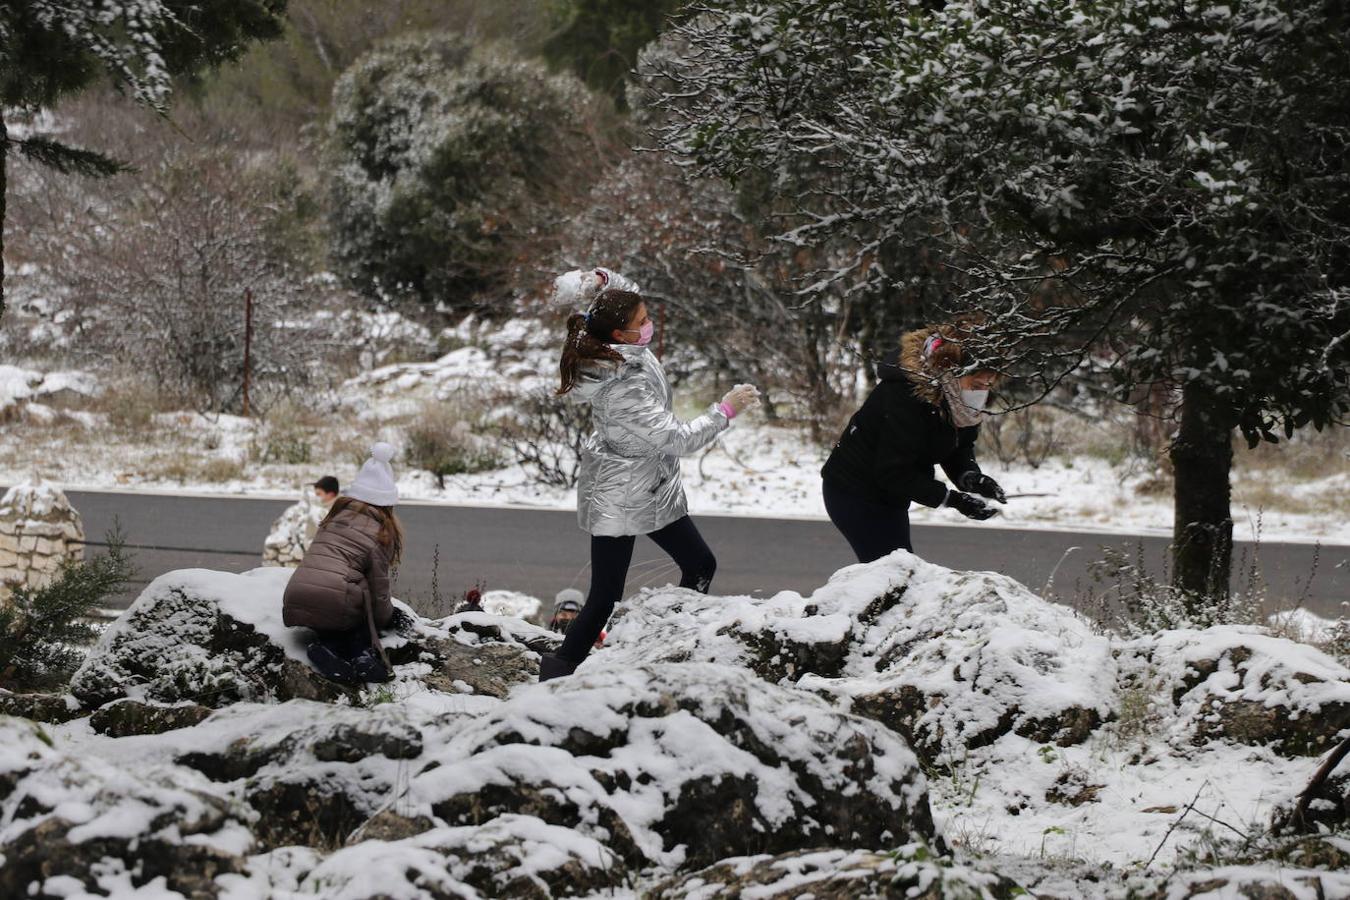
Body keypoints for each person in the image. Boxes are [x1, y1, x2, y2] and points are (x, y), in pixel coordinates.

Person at [537, 268, 760, 681]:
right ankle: (558, 673)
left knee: (699, 565)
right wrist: (725, 410)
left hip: (649, 483)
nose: (649, 325)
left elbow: (626, 294)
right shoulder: (623, 386)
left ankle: (672, 640)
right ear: (620, 334)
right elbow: (676, 439)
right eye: (642, 322)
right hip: (621, 493)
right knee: (605, 595)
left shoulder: (617, 343)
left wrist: (599, 276)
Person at [820, 321, 1006, 563]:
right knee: (893, 576)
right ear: (951, 372)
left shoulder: (959, 401)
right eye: (976, 384)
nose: (982, 391)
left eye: (988, 385)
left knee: (896, 573)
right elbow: (893, 472)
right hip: (854, 492)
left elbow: (958, 446)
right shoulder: (906, 397)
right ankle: (830, 603)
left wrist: (970, 477)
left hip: (891, 494)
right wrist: (953, 500)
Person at [283, 443, 403, 684]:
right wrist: (387, 618)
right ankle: (361, 654)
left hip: (296, 596)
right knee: (357, 594)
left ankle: (328, 648)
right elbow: (379, 590)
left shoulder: (333, 518)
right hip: (335, 602)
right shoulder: (380, 532)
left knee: (336, 600)